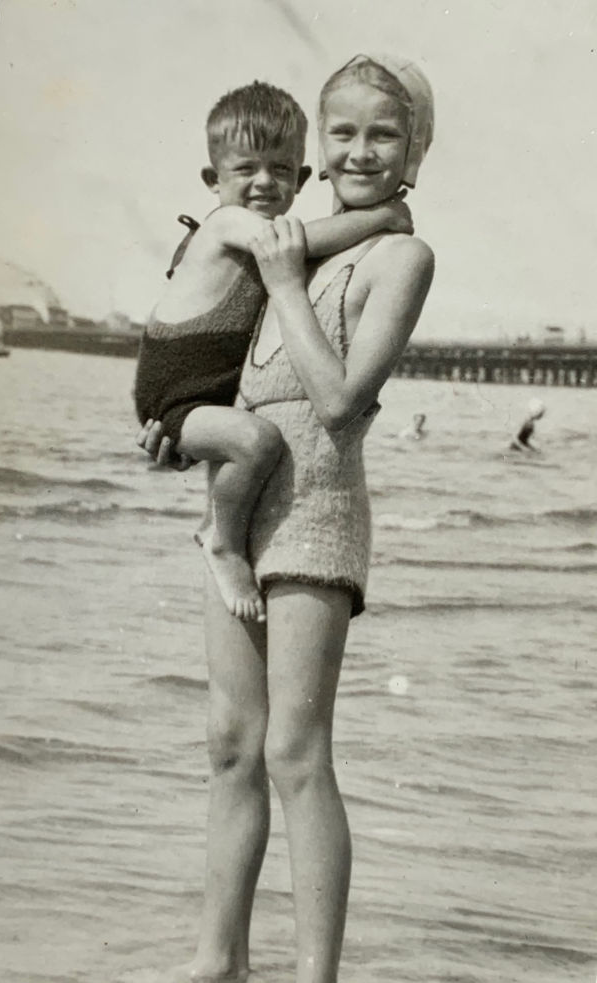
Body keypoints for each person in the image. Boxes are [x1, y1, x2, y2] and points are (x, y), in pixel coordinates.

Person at [141, 54, 434, 983]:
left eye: (382, 135)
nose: (358, 150)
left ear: (414, 151)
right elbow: (235, 380)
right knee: (231, 747)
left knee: (295, 750)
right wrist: (176, 436)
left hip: (317, 512)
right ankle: (215, 961)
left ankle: (316, 974)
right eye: (341, 132)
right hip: (244, 508)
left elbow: (339, 401)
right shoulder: (284, 242)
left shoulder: (397, 254)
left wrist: (282, 284)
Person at [134, 80, 414, 624]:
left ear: (303, 178)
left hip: (202, 396)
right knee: (258, 440)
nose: (264, 182)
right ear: (213, 181)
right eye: (246, 170)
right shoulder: (226, 224)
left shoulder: (257, 236)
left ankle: (224, 533)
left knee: (251, 440)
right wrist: (385, 218)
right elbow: (295, 244)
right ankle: (223, 541)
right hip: (174, 395)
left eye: (281, 170)